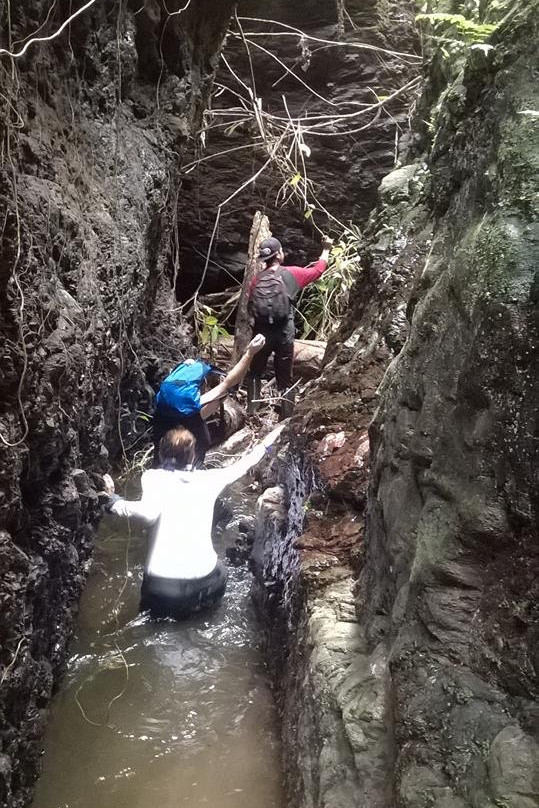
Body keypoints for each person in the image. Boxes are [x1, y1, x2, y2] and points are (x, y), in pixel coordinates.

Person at [102, 423, 284, 618]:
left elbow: (148, 514)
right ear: (193, 455)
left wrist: (114, 502)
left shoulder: (153, 477)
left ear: (161, 453)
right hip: (207, 582)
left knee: (156, 621)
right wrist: (272, 438)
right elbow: (246, 462)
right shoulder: (212, 478)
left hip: (164, 589)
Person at [246, 235, 333, 418]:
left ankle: (252, 412)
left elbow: (250, 307)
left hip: (261, 333)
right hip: (284, 332)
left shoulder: (256, 280)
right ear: (278, 255)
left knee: (255, 372)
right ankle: (286, 418)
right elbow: (318, 270)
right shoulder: (292, 274)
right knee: (284, 377)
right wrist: (326, 249)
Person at [153, 333, 266, 466]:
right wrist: (250, 353)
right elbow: (230, 381)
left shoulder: (172, 385)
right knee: (202, 441)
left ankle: (159, 465)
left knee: (160, 449)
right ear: (202, 383)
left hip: (162, 414)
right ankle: (194, 467)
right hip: (189, 420)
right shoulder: (192, 403)